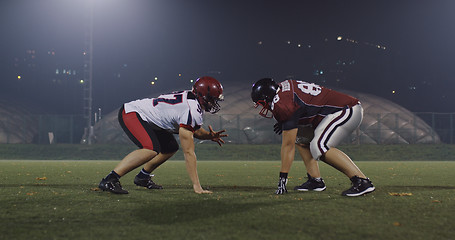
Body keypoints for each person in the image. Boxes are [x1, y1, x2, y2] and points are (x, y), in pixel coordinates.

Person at [99, 76, 227, 194]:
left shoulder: (193, 104)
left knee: (170, 147)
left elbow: (195, 130)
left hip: (151, 120)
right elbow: (188, 152)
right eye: (212, 100)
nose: (213, 104)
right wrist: (197, 186)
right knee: (150, 149)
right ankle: (110, 180)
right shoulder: (191, 110)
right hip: (133, 113)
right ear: (201, 96)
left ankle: (143, 177)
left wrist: (209, 136)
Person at [251, 78, 375, 197]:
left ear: (267, 97)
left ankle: (362, 181)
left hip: (346, 110)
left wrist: (283, 177)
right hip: (333, 113)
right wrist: (288, 120)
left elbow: (287, 146)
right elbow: (301, 106)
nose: (263, 107)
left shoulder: (283, 104)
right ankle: (315, 181)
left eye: (262, 103)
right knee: (302, 140)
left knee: (319, 146)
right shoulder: (284, 89)